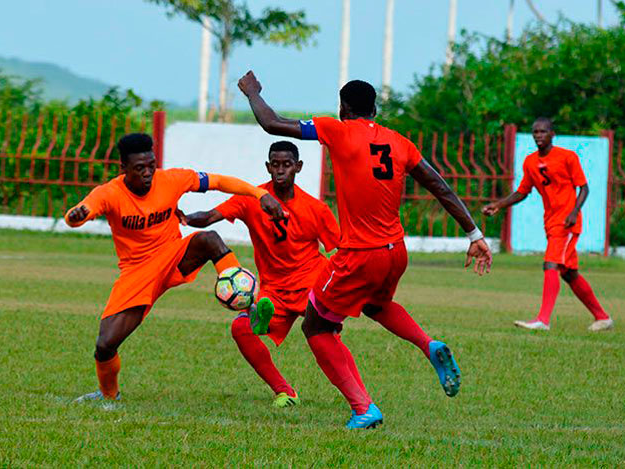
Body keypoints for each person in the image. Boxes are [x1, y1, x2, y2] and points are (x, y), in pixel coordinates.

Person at [237, 71, 493, 429]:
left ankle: (363, 408)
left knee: (316, 328)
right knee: (376, 305)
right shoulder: (399, 142)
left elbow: (271, 123)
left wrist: (253, 93)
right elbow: (440, 186)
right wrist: (474, 233)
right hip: (396, 252)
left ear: (343, 108)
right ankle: (428, 344)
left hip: (360, 253)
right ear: (374, 108)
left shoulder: (336, 130)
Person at [66, 133, 285, 402]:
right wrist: (75, 216)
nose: (148, 173)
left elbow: (217, 181)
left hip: (173, 254)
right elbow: (84, 210)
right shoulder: (109, 193)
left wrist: (259, 193)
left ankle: (249, 306)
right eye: (139, 169)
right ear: (123, 168)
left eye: (151, 165)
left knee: (209, 239)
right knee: (105, 345)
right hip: (137, 272)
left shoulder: (171, 179)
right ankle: (109, 396)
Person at [179, 140, 340, 408]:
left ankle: (356, 398)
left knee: (326, 337)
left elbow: (340, 251)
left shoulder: (316, 209)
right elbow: (209, 217)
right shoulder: (250, 199)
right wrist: (184, 217)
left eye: (286, 165)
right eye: (275, 165)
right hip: (274, 289)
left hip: (311, 282)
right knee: (240, 328)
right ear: (267, 166)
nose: (280, 171)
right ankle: (284, 391)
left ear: (298, 167)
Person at [482, 118, 613, 332]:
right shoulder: (530, 162)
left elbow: (584, 188)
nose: (538, 135)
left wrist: (573, 212)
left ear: (552, 134)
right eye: (535, 132)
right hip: (551, 222)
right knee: (569, 273)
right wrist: (498, 205)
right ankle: (602, 317)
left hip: (567, 223)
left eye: (543, 131)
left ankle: (543, 320)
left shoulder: (567, 157)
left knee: (550, 264)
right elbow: (522, 192)